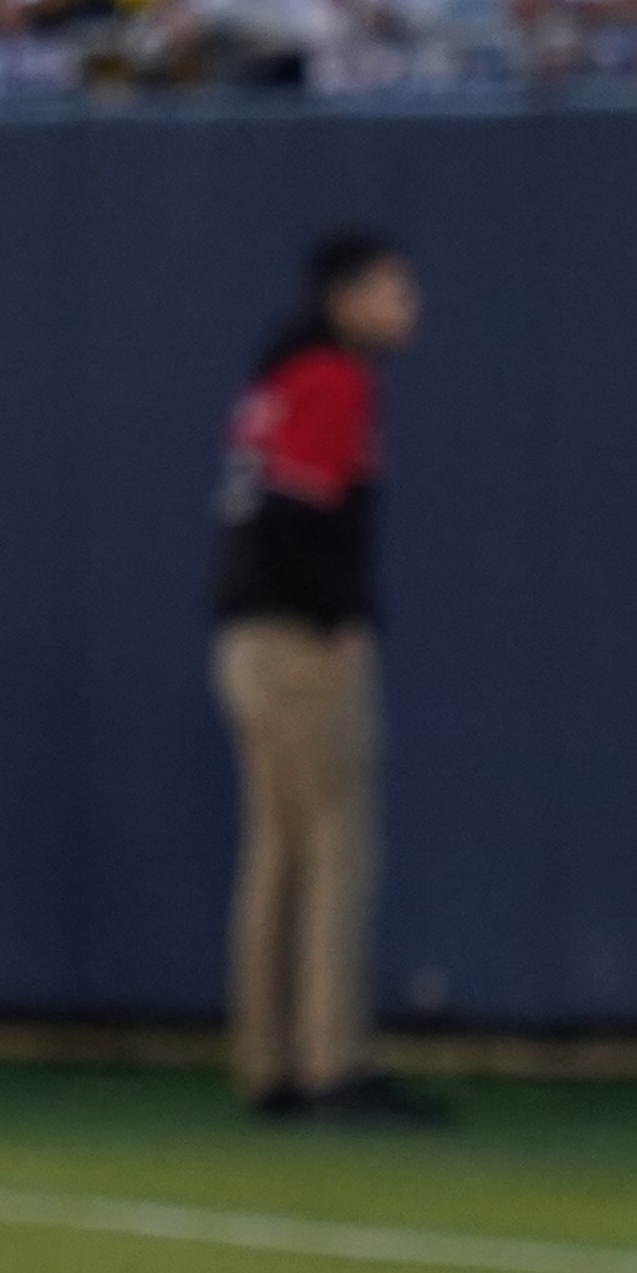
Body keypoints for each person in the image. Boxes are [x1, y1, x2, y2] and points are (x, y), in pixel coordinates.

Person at [211, 229, 439, 1124]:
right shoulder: (333, 379)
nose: (407, 306)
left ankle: (271, 1061)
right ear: (343, 299)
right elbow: (298, 511)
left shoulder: (282, 376)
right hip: (296, 643)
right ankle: (332, 1061)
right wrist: (338, 615)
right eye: (393, 289)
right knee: (338, 848)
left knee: (277, 851)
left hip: (245, 636)